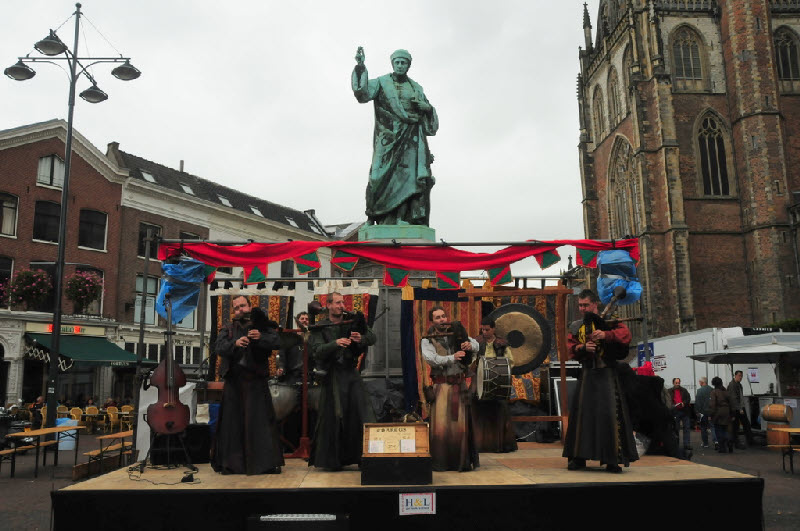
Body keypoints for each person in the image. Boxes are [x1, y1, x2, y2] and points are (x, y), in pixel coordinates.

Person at [352, 47, 438, 226]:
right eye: (397, 62)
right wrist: (360, 67)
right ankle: (372, 215)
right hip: (387, 138)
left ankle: (401, 218)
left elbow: (430, 122)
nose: (400, 66)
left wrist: (427, 108)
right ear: (393, 64)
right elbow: (363, 94)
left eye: (403, 63)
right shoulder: (382, 82)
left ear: (408, 66)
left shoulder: (416, 88)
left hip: (411, 139)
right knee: (377, 176)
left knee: (408, 179)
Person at [562, 289, 638, 473]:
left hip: (607, 375)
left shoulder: (610, 321)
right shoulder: (576, 325)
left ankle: (612, 459)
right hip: (587, 374)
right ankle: (579, 459)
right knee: (582, 417)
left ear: (595, 304)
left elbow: (625, 335)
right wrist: (583, 347)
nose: (582, 308)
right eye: (580, 305)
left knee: (609, 416)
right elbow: (569, 348)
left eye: (586, 305)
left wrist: (606, 335)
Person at [212, 295, 284, 475]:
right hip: (234, 383)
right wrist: (235, 343)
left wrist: (260, 337)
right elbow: (218, 347)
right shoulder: (228, 328)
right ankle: (232, 465)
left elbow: (277, 342)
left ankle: (264, 464)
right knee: (232, 426)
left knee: (259, 424)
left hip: (256, 382)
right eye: (236, 308)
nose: (239, 310)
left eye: (242, 306)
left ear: (250, 306)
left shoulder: (262, 326)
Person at [308, 292, 376, 470]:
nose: (341, 305)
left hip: (351, 374)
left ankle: (364, 457)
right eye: (337, 303)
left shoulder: (352, 321)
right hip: (332, 375)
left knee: (361, 413)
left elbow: (372, 337)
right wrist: (335, 343)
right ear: (328, 305)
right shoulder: (320, 327)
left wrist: (361, 338)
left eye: (342, 302)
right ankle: (333, 460)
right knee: (333, 418)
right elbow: (316, 351)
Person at [421, 306, 480, 471]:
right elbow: (431, 358)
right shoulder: (427, 339)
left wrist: (470, 345)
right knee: (441, 426)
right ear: (432, 321)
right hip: (442, 387)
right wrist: (451, 357)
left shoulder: (456, 331)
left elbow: (476, 344)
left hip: (458, 386)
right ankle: (441, 462)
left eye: (443, 316)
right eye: (438, 317)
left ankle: (459, 461)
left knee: (459, 426)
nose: (442, 320)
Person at [471, 317, 517, 453]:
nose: (484, 332)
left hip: (498, 382)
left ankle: (500, 444)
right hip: (479, 380)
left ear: (493, 329)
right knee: (476, 406)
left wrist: (499, 368)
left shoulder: (502, 343)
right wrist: (475, 366)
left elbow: (511, 362)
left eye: (487, 329)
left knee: (499, 409)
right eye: (482, 329)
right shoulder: (476, 342)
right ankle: (479, 444)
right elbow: (472, 359)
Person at [727, 370, 754, 448]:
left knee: (745, 424)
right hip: (736, 409)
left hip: (740, 407)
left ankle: (749, 441)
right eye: (739, 376)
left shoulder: (739, 385)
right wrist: (740, 408)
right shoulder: (732, 385)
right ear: (735, 376)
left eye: (741, 376)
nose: (740, 377)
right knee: (736, 426)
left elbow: (739, 397)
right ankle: (737, 443)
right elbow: (733, 398)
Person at [710, 376, 733, 453]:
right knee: (726, 429)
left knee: (718, 430)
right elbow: (731, 403)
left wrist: (711, 414)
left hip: (718, 412)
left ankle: (722, 448)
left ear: (714, 384)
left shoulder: (714, 392)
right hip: (727, 411)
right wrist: (732, 414)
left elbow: (713, 404)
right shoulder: (726, 392)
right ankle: (729, 440)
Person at [669, 377, 692, 451]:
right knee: (676, 429)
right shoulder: (669, 391)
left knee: (687, 428)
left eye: (678, 383)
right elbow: (668, 401)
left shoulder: (684, 390)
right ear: (673, 383)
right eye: (676, 383)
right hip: (675, 412)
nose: (677, 384)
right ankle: (676, 444)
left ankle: (686, 444)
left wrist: (683, 403)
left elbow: (688, 399)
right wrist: (673, 405)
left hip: (684, 411)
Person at [695, 376, 718, 450]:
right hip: (712, 411)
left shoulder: (699, 391)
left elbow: (698, 403)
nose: (699, 383)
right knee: (713, 427)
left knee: (703, 428)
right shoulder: (712, 390)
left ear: (702, 382)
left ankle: (705, 443)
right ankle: (716, 441)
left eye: (699, 382)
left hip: (703, 412)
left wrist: (697, 411)